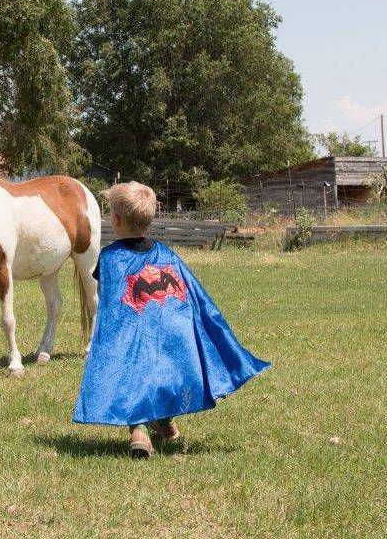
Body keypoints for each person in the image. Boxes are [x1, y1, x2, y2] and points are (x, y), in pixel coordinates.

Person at [73, 181, 270, 458]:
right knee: (166, 371)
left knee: (133, 371)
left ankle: (139, 431)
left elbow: (110, 299)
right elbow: (191, 295)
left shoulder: (110, 258)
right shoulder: (167, 254)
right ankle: (164, 423)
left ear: (115, 220)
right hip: (173, 330)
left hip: (135, 329)